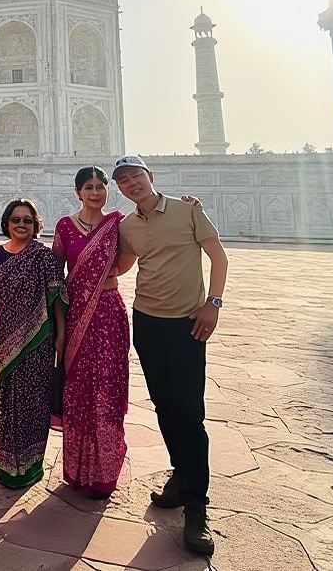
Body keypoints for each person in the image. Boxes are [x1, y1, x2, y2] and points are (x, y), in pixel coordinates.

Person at [112, 155, 227, 558]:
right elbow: (122, 267)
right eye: (123, 181)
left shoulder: (187, 209)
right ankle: (182, 475)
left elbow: (219, 257)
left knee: (189, 411)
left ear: (150, 177)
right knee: (163, 404)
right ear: (120, 189)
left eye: (136, 177)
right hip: (146, 321)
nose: (131, 184)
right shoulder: (128, 225)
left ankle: (197, 505)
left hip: (187, 323)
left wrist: (213, 303)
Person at [52, 166, 129, 499]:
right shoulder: (65, 227)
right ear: (77, 192)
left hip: (109, 313)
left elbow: (131, 257)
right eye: (89, 187)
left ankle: (104, 473)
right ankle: (79, 470)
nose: (96, 192)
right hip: (76, 315)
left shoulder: (119, 224)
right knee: (79, 391)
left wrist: (105, 278)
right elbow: (55, 275)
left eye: (101, 186)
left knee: (107, 390)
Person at [0, 198, 67, 489]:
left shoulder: (43, 257)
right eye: (16, 220)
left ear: (35, 225)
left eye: (27, 220)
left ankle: (31, 465)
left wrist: (60, 334)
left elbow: (56, 297)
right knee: (8, 400)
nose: (21, 225)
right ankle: (6, 465)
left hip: (38, 340)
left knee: (34, 401)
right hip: (4, 338)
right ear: (6, 223)